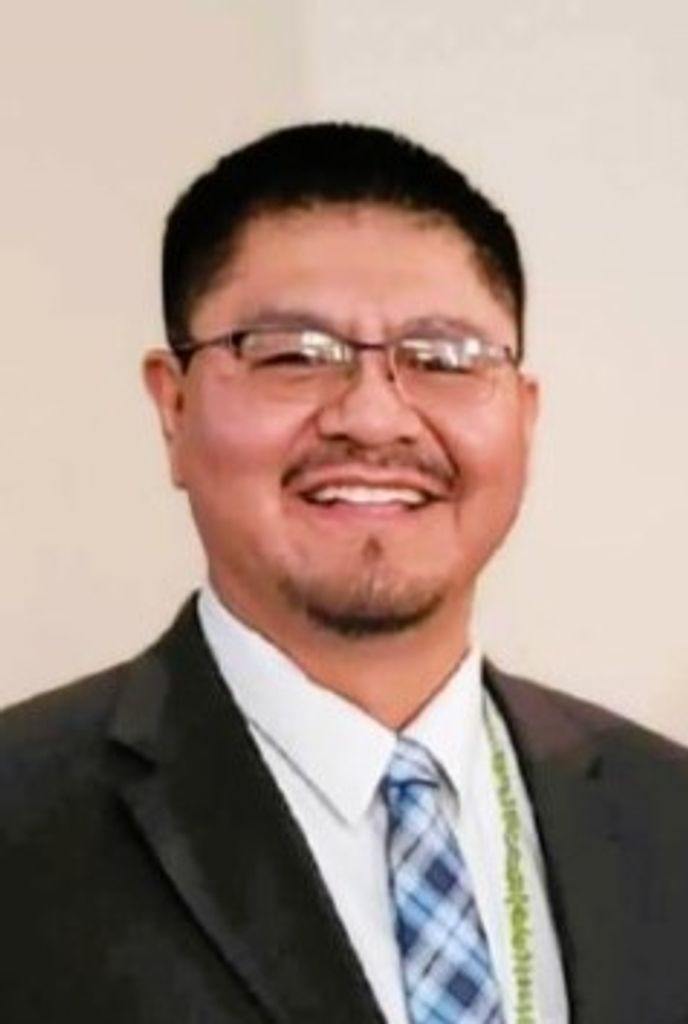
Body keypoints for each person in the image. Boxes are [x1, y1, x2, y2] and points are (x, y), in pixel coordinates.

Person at [1, 123, 687, 1024]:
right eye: (293, 353)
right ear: (173, 405)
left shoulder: (664, 813)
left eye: (443, 360)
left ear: (524, 416)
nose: (373, 418)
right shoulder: (21, 821)